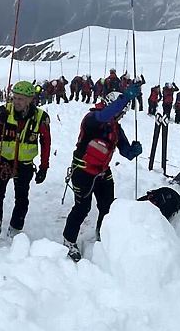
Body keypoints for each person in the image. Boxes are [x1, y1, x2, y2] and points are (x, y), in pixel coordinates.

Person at [61, 85, 144, 261]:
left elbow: (126, 152)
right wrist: (127, 97)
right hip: (83, 170)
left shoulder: (115, 128)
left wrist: (134, 151)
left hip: (103, 172)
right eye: (120, 112)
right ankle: (69, 240)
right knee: (82, 208)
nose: (121, 116)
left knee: (107, 207)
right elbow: (104, 115)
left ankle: (103, 235)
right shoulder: (92, 118)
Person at [0, 81, 52, 242]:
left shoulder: (40, 118)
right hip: (3, 161)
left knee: (22, 197)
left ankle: (15, 227)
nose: (16, 102)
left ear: (30, 99)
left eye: (21, 99)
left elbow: (46, 142)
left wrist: (44, 167)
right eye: (14, 98)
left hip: (25, 164)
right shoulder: (5, 111)